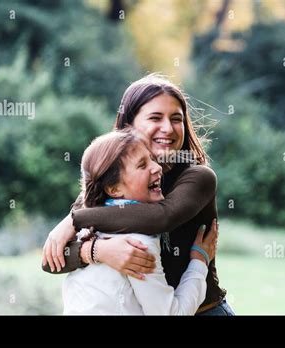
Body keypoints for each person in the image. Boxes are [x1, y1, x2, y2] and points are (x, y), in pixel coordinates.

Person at [43, 74, 235, 315]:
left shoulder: (198, 177)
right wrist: (97, 251)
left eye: (177, 119)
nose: (168, 127)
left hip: (203, 311)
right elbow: (52, 260)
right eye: (155, 117)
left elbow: (162, 216)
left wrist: (74, 219)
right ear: (128, 126)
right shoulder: (113, 182)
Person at [63, 129, 217, 314]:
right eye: (142, 165)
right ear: (114, 189)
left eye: (152, 159)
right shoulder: (137, 243)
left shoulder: (86, 230)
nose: (157, 167)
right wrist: (199, 263)